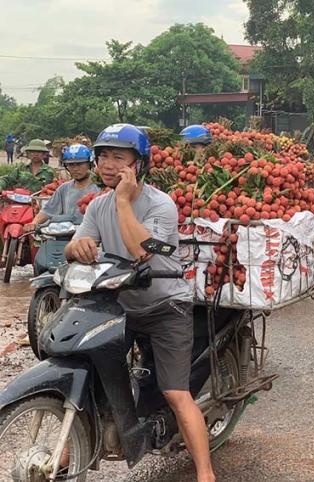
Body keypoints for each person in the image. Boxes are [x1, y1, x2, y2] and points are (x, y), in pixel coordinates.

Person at [64, 124, 216, 482]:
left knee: (176, 393)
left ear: (139, 165)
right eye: (103, 156)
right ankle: (68, 452)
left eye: (119, 157)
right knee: (91, 372)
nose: (108, 164)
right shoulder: (98, 207)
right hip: (121, 306)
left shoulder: (160, 204)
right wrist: (77, 248)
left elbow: (139, 250)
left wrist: (121, 201)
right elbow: (75, 244)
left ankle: (206, 474)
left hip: (166, 308)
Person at [23, 144, 100, 233]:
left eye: (79, 164)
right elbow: (47, 211)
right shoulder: (63, 189)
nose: (75, 169)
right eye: (71, 165)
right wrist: (34, 223)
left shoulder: (99, 188)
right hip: (66, 236)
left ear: (89, 164)